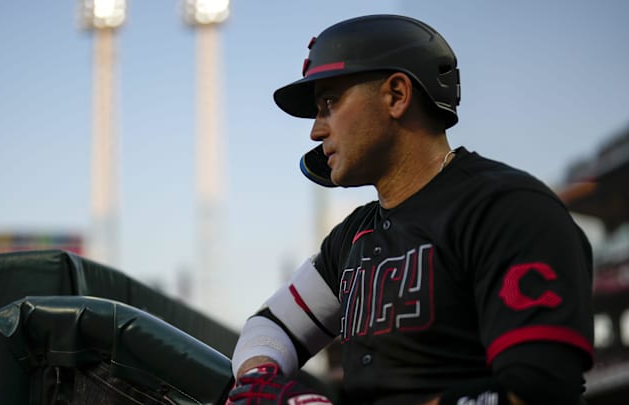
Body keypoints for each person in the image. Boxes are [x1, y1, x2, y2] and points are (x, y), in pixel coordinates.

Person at [226, 14, 594, 405]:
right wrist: (260, 379)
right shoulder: (351, 236)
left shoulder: (509, 208)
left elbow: (539, 392)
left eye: (329, 102)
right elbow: (269, 326)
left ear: (397, 95)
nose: (316, 131)